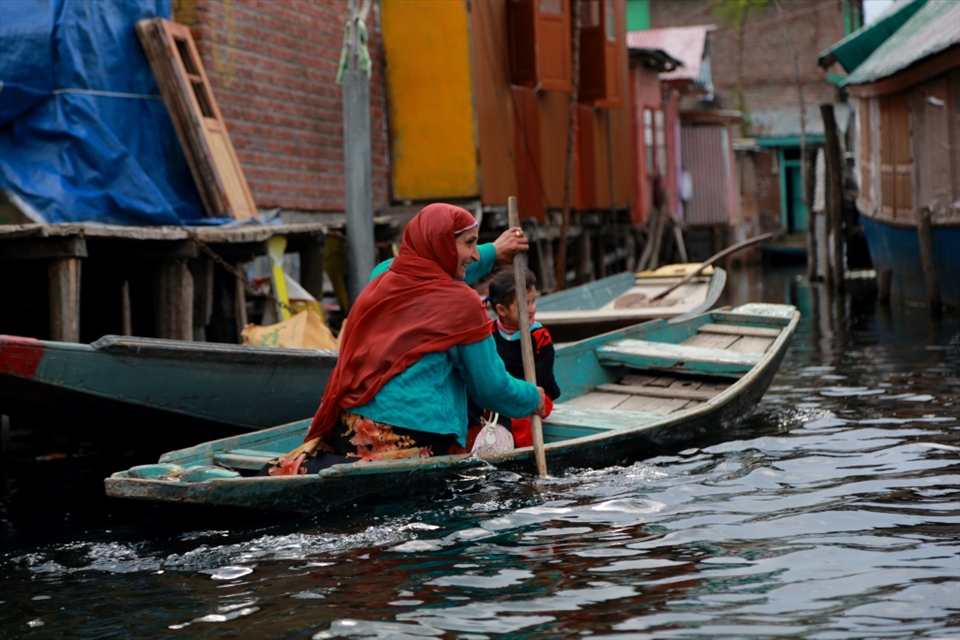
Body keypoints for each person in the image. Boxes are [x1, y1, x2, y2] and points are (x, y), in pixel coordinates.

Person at [262, 203, 546, 475]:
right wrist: (533, 398)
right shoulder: (463, 304)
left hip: (348, 429)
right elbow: (491, 389)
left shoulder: (382, 277)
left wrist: (494, 252)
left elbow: (433, 265)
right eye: (469, 243)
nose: (474, 255)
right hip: (413, 439)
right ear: (443, 246)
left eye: (476, 245)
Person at [468, 268, 561, 449]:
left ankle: (522, 452)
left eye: (533, 301)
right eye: (524, 304)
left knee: (520, 417)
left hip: (536, 394)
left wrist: (518, 397)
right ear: (501, 310)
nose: (532, 308)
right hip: (501, 392)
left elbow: (540, 382)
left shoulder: (539, 336)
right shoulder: (489, 333)